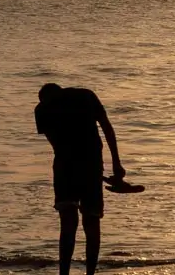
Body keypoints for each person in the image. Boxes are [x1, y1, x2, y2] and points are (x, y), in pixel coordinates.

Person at [34, 83, 126, 275]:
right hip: (83, 165)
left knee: (76, 221)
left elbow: (56, 143)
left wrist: (114, 164)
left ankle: (70, 273)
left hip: (71, 167)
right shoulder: (84, 96)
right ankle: (80, 273)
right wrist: (115, 163)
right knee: (86, 220)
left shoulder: (48, 107)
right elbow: (106, 128)